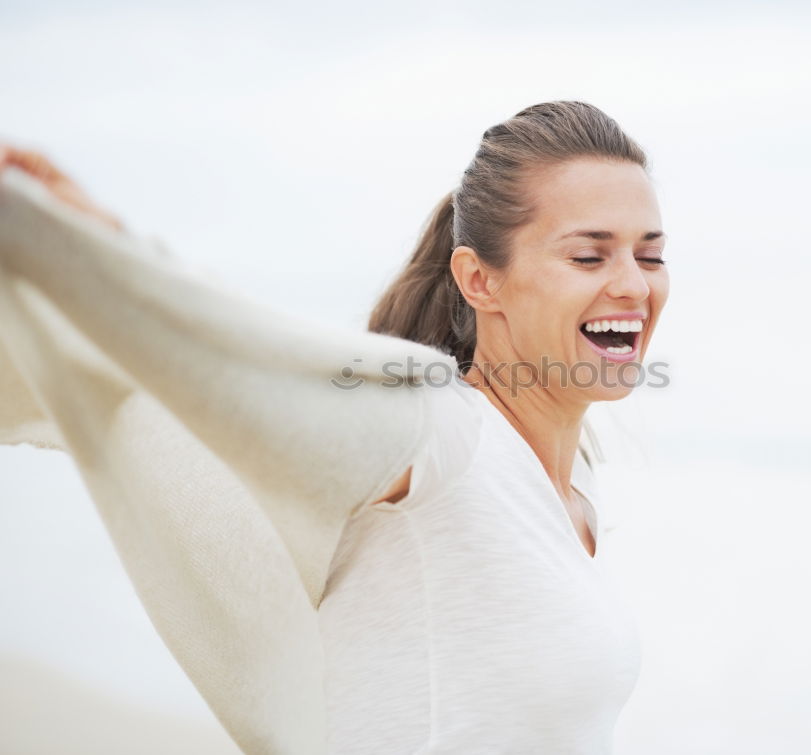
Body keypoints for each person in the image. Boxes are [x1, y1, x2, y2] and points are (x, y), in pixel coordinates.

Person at [0, 100, 670, 753]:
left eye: (649, 255)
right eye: (589, 256)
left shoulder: (571, 483)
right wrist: (97, 243)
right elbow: (250, 361)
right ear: (479, 281)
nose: (634, 287)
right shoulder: (440, 433)